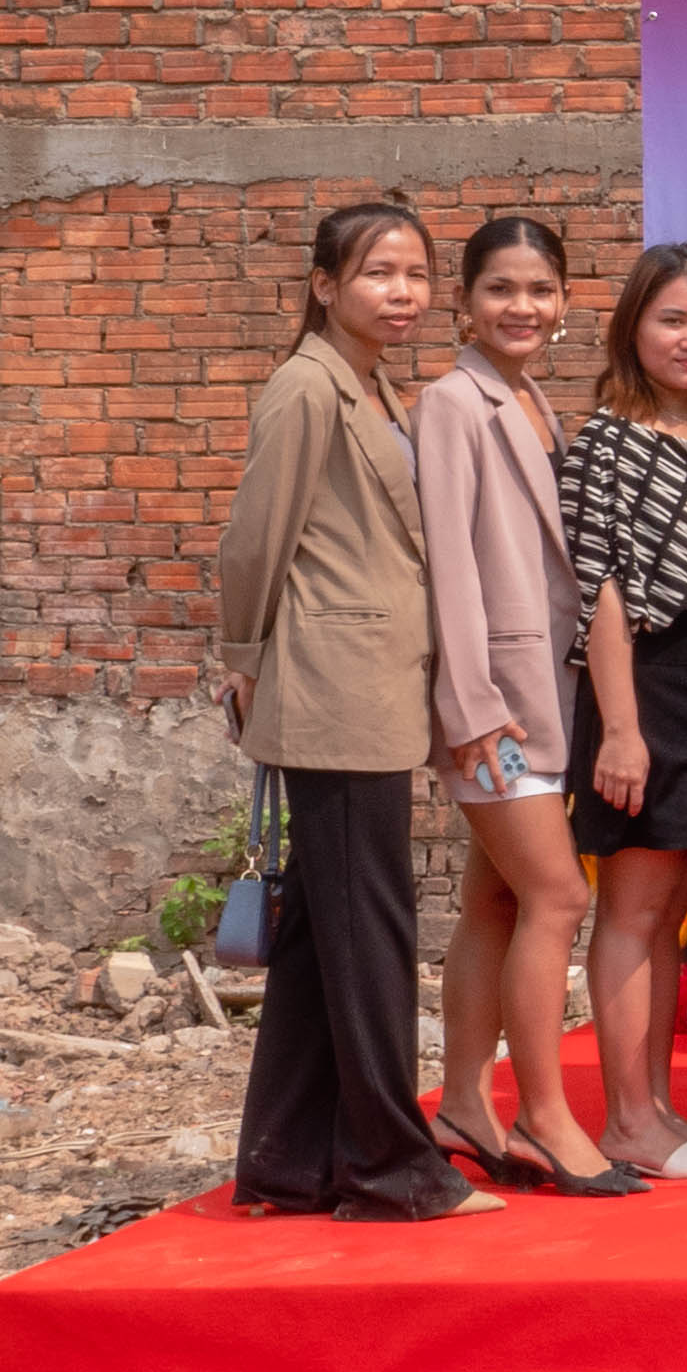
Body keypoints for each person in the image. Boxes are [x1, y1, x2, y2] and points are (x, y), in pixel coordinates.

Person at [217, 204, 494, 1221]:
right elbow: (256, 535)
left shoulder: (369, 385)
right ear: (326, 285)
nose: (404, 291)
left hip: (370, 679)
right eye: (380, 272)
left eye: (417, 273)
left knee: (319, 933)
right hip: (330, 685)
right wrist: (243, 655)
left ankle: (288, 1162)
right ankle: (392, 1165)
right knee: (371, 923)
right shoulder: (306, 385)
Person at [410, 214, 633, 1197]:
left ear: (568, 302)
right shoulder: (453, 403)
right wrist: (469, 704)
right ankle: (543, 1115)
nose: (523, 307)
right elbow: (448, 562)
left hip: (544, 693)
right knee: (559, 894)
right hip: (495, 703)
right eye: (502, 289)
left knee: (495, 897)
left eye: (541, 290)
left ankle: (466, 1098)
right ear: (464, 301)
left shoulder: (532, 398)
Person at [563, 243, 687, 1183]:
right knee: (634, 910)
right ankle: (628, 1121)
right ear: (633, 326)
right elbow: (595, 586)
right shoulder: (605, 440)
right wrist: (624, 727)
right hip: (643, 680)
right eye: (674, 319)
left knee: (676, 900)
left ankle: (657, 1106)